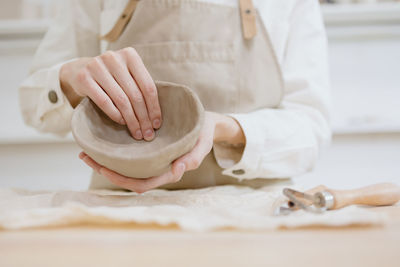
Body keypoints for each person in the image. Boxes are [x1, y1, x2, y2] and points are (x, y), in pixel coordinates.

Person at [19, 0, 331, 193]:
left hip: (248, 214)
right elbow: (31, 107)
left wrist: (224, 128)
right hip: (120, 215)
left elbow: (312, 129)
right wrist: (71, 77)